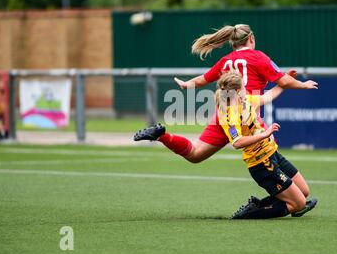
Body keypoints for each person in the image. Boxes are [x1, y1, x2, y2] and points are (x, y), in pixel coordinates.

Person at [134, 24, 318, 165]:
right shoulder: (259, 57)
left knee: (196, 155)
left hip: (225, 114)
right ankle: (288, 197)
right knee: (268, 151)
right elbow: (283, 81)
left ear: (232, 42)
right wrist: (303, 84)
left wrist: (186, 84)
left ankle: (161, 136)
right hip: (247, 113)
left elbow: (203, 79)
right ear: (251, 38)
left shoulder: (226, 60)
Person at [213, 72, 317, 219]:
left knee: (304, 191)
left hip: (273, 153)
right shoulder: (228, 114)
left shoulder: (246, 100)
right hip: (261, 163)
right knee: (299, 203)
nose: (245, 89)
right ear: (237, 91)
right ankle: (251, 212)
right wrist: (263, 135)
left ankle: (262, 204)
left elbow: (268, 96)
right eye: (243, 87)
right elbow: (236, 143)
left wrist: (286, 80)